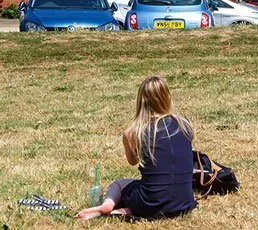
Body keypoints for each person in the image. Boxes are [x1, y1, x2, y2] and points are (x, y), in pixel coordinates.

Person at [77, 76, 196, 221]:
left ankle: (107, 205)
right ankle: (129, 210)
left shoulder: (133, 132)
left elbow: (132, 161)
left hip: (150, 201)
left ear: (140, 101)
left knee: (119, 184)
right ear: (167, 97)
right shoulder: (184, 124)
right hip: (184, 202)